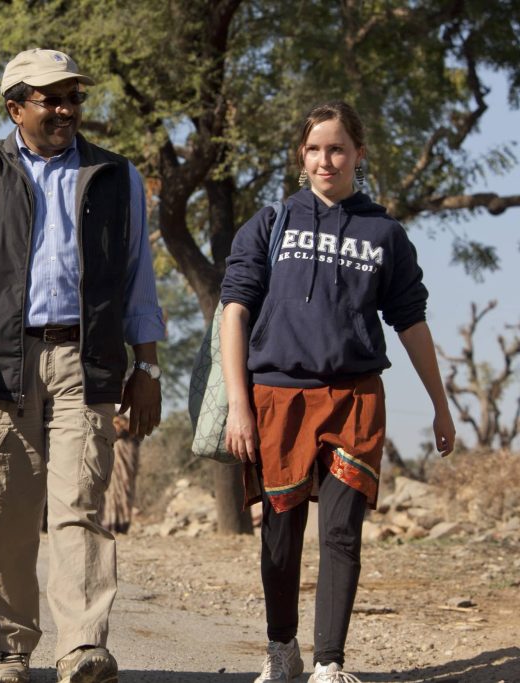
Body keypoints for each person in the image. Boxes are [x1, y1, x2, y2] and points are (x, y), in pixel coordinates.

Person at [0, 48, 164, 683]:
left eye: (72, 99)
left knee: (79, 503)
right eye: (50, 99)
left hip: (84, 360)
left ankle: (82, 647)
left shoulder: (117, 177)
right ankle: (9, 649)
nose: (65, 110)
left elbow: (138, 278)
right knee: (5, 511)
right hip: (1, 361)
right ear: (15, 108)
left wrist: (148, 366)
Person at [220, 101, 456, 683]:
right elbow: (234, 311)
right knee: (280, 534)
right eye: (314, 149)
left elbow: (412, 321)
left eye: (337, 148)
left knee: (341, 531)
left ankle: (329, 663)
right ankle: (282, 652)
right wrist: (238, 404)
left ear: (358, 153)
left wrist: (440, 403)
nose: (326, 160)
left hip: (355, 397)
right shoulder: (271, 222)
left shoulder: (384, 232)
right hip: (277, 396)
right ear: (301, 157)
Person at [99, 415, 140, 535]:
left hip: (128, 446)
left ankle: (123, 523)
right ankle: (109, 521)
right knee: (111, 487)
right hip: (114, 445)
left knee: (126, 485)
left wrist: (125, 425)